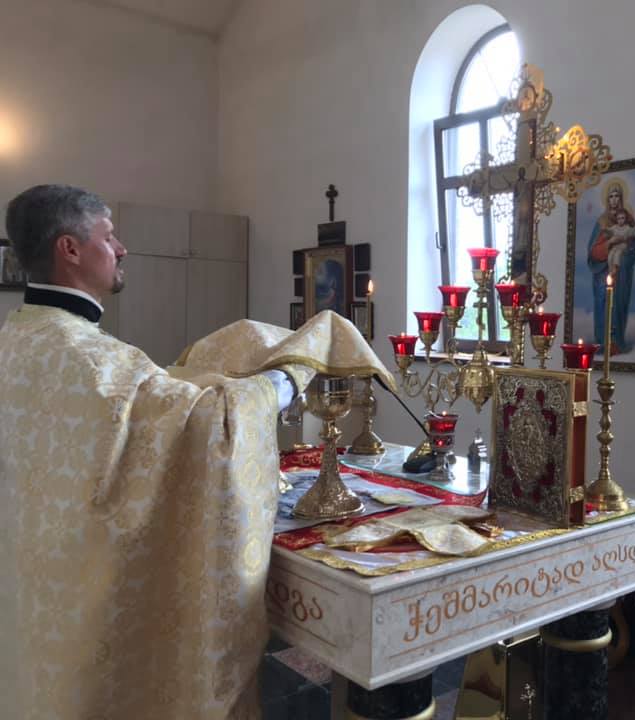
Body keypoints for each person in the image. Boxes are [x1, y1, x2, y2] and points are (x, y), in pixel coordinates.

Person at [0, 185, 392, 719]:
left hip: (36, 590)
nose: (122, 248)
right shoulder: (92, 359)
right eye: (109, 237)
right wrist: (293, 370)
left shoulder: (17, 339)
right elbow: (213, 422)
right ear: (69, 249)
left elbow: (140, 418)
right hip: (88, 612)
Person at [586, 181, 635, 354]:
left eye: (617, 196)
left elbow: (634, 248)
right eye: (611, 196)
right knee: (604, 304)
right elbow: (593, 251)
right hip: (603, 274)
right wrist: (609, 244)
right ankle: (603, 342)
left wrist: (625, 257)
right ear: (607, 199)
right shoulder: (602, 222)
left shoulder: (628, 220)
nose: (614, 199)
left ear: (621, 198)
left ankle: (617, 341)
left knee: (619, 304)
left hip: (622, 274)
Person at [606, 209, 635, 276]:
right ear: (616, 219)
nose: (620, 220)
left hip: (622, 246)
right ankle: (610, 270)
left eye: (622, 218)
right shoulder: (615, 227)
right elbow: (609, 230)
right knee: (610, 255)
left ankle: (615, 268)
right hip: (615, 246)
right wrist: (605, 229)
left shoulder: (627, 228)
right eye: (619, 218)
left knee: (617, 254)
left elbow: (633, 233)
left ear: (625, 219)